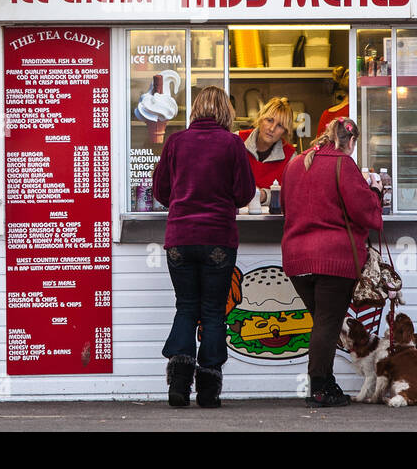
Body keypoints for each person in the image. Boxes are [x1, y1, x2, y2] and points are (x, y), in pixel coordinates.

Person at [152, 86, 256, 409]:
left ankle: (179, 386)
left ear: (195, 109)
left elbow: (160, 190)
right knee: (212, 311)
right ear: (225, 111)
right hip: (218, 242)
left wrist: (183, 203)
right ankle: (209, 389)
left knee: (186, 306)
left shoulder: (176, 142)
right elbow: (245, 192)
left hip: (179, 240)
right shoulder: (232, 144)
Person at [280, 117, 383, 408]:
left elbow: (286, 206)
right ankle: (320, 388)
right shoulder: (343, 164)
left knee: (322, 324)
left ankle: (327, 382)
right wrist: (375, 193)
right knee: (327, 323)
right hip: (333, 259)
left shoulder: (295, 163)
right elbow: (364, 212)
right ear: (350, 141)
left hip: (297, 259)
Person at [238, 96, 296, 196]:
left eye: (280, 125)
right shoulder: (237, 140)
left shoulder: (290, 156)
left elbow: (291, 194)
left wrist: (264, 196)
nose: (272, 128)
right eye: (269, 120)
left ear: (285, 132)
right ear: (260, 119)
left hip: (273, 211)